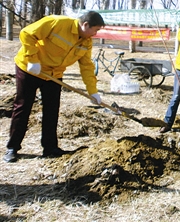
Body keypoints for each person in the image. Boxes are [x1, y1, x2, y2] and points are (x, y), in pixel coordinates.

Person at [3, 11, 105, 163]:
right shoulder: (57, 23)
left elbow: (87, 67)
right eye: (95, 30)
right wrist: (32, 59)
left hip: (53, 74)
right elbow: (27, 33)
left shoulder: (86, 41)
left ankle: (50, 148)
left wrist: (93, 92)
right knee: (23, 106)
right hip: (30, 69)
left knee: (52, 109)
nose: (95, 34)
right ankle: (13, 148)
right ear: (85, 25)